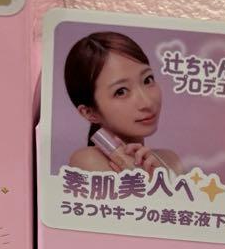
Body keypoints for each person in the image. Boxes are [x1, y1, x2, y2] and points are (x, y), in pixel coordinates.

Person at [63, 31, 183, 175]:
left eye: (147, 80)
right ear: (90, 112)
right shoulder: (88, 160)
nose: (147, 102)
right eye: (121, 91)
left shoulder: (170, 160)